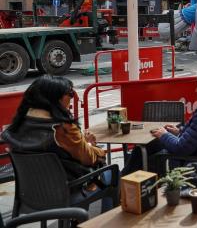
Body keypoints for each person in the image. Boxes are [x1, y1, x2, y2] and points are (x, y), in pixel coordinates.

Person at [1, 76, 113, 211]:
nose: (72, 97)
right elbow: (88, 158)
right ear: (55, 97)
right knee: (112, 172)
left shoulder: (21, 123)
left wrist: (83, 143)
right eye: (70, 93)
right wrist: (95, 148)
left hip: (29, 195)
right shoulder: (62, 128)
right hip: (66, 191)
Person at [121, 70, 197, 176]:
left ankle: (122, 182)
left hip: (190, 162)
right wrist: (180, 131)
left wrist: (164, 134)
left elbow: (181, 148)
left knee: (142, 151)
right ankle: (126, 180)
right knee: (148, 146)